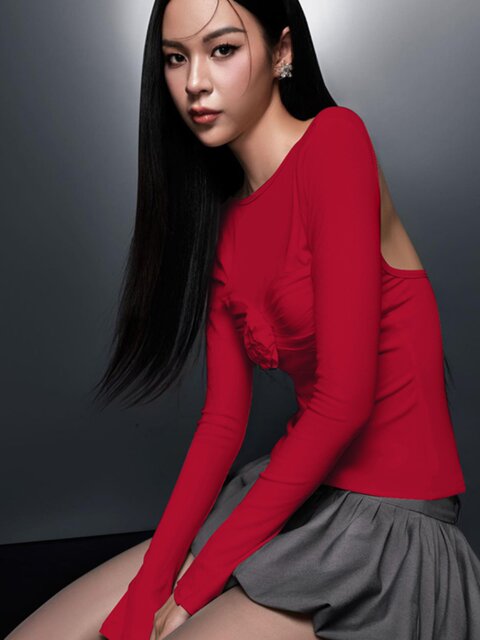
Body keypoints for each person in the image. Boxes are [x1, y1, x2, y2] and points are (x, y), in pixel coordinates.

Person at [6, 1, 480, 639]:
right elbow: (222, 423)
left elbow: (343, 402)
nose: (195, 82)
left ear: (282, 51)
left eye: (222, 49)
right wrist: (149, 590)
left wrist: (193, 589)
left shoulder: (336, 141)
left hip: (387, 531)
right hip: (294, 498)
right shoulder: (226, 224)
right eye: (176, 58)